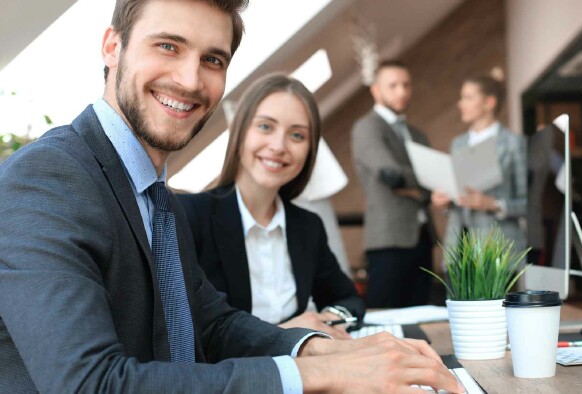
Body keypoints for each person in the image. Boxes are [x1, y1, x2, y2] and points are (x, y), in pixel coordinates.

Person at [0, 0, 464, 392]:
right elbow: (90, 384)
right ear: (112, 46)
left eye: (213, 60)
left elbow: (211, 322)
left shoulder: (157, 196)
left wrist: (337, 348)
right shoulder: (47, 177)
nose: (189, 80)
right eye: (168, 46)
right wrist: (319, 372)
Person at [178, 74, 363, 339]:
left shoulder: (307, 226)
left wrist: (331, 319)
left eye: (297, 135)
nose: (278, 146)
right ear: (240, 132)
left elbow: (348, 299)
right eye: (265, 127)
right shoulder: (191, 215)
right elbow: (192, 334)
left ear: (309, 151)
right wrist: (286, 334)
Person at [351, 60, 435, 308]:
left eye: (406, 85)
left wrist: (415, 188)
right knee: (385, 313)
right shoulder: (367, 127)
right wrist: (424, 181)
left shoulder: (417, 133)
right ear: (376, 90)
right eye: (393, 85)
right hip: (388, 239)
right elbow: (390, 174)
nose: (402, 91)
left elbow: (430, 184)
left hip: (422, 237)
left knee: (421, 313)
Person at [432, 76, 527, 253]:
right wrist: (444, 202)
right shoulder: (458, 144)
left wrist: (492, 203)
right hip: (459, 247)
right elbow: (457, 198)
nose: (461, 104)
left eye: (468, 98)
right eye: (462, 98)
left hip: (498, 249)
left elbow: (528, 202)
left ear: (489, 102)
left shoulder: (513, 143)